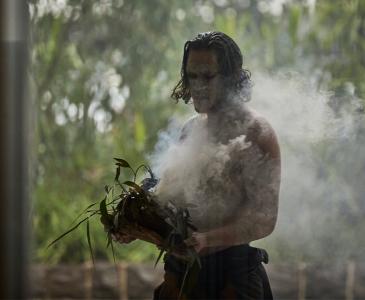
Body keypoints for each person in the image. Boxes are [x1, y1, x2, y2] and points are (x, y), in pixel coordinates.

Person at [113, 31, 281, 299]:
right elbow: (167, 199)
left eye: (208, 76)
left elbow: (265, 219)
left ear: (231, 78)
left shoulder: (256, 132)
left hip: (232, 280)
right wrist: (136, 222)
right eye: (192, 76)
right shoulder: (189, 130)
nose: (198, 86)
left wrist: (210, 239)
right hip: (180, 277)